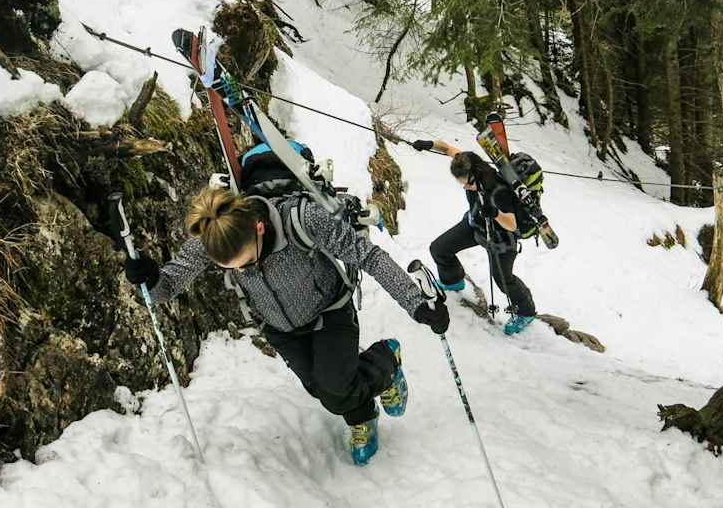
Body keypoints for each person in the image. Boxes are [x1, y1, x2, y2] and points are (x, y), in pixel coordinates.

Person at [123, 186, 449, 466]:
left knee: (335, 386)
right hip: (279, 326)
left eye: (246, 262)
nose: (243, 270)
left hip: (330, 310)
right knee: (321, 389)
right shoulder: (214, 237)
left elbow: (368, 256)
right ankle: (363, 410)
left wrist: (415, 303)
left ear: (259, 228)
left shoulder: (301, 220)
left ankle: (385, 363)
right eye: (231, 268)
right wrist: (149, 279)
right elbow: (166, 288)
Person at [411, 139, 537, 335]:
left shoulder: (498, 191)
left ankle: (526, 312)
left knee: (504, 280)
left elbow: (511, 224)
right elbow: (448, 149)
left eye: (467, 184)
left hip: (501, 240)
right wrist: (429, 145)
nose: (464, 187)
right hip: (475, 225)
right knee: (439, 249)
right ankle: (453, 281)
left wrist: (495, 213)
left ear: (476, 174)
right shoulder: (468, 163)